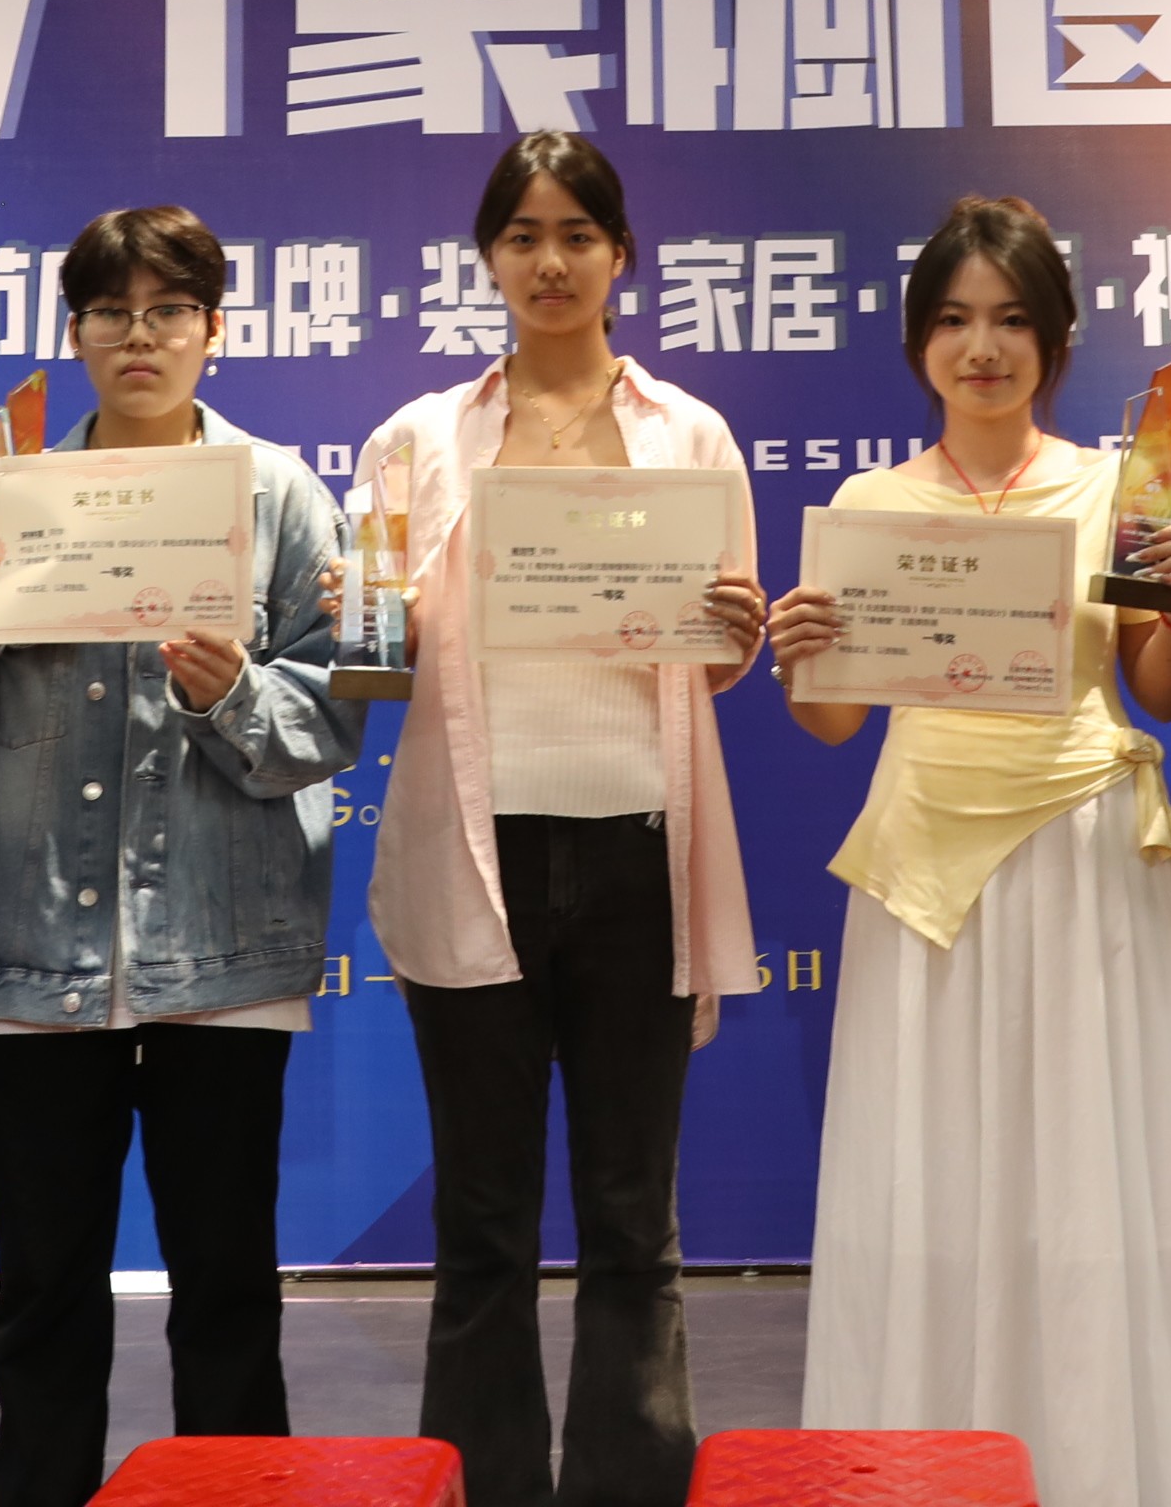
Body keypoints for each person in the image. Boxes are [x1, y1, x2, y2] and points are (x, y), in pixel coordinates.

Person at [766, 196, 1171, 1507]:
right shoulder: (870, 504)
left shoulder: (1119, 487)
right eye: (952, 321)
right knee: (930, 1171)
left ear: (1053, 339)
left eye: (1008, 322)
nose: (981, 348)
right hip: (926, 867)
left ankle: (1104, 1469)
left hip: (1081, 855)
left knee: (1087, 1168)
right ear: (918, 343)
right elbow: (833, 723)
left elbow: (1161, 692)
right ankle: (920, 1469)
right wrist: (802, 654)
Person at [0, 205, 359, 1507]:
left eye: (168, 311)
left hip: (224, 956)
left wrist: (230, 692)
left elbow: (329, 728)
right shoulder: (9, 497)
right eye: (109, 312)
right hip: (34, 960)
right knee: (43, 1294)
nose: (138, 336)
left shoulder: (280, 497)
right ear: (78, 332)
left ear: (215, 329)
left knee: (227, 1289)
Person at [357, 131, 769, 1507]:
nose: (551, 262)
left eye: (577, 234)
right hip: (474, 857)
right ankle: (480, 1488)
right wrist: (367, 621)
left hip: (639, 848)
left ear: (621, 256)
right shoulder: (418, 438)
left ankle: (629, 1486)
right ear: (487, 258)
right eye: (524, 235)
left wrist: (735, 631)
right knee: (481, 1222)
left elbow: (716, 656)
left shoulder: (689, 433)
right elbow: (370, 657)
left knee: (631, 1220)